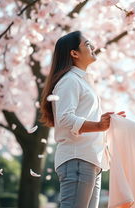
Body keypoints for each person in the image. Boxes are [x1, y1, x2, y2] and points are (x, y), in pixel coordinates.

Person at [40, 31, 125, 208]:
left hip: (90, 159)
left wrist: (106, 122)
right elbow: (65, 119)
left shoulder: (83, 81)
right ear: (74, 53)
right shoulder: (70, 80)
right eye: (87, 44)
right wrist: (99, 125)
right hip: (77, 158)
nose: (93, 47)